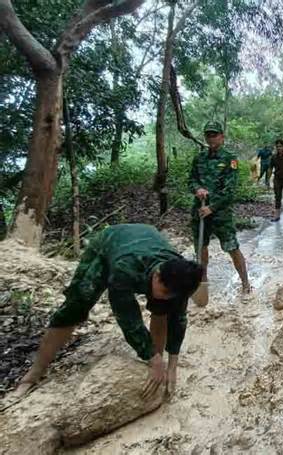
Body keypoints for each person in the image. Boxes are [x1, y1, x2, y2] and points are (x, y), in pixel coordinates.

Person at [12, 224, 203, 398]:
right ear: (158, 275)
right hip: (108, 247)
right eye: (164, 291)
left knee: (163, 309)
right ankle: (32, 375)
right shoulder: (125, 268)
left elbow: (178, 319)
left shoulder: (182, 277)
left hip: (144, 241)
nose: (166, 296)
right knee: (75, 308)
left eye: (172, 295)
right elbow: (129, 319)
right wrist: (151, 356)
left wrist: (171, 365)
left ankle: (156, 369)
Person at [189, 121, 251, 298]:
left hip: (220, 213)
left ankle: (245, 283)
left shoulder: (229, 159)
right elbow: (191, 180)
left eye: (214, 135)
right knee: (201, 247)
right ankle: (203, 281)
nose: (211, 138)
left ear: (222, 137)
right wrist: (197, 189)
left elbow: (230, 192)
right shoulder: (199, 158)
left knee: (232, 246)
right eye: (208, 135)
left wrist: (212, 207)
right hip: (200, 210)